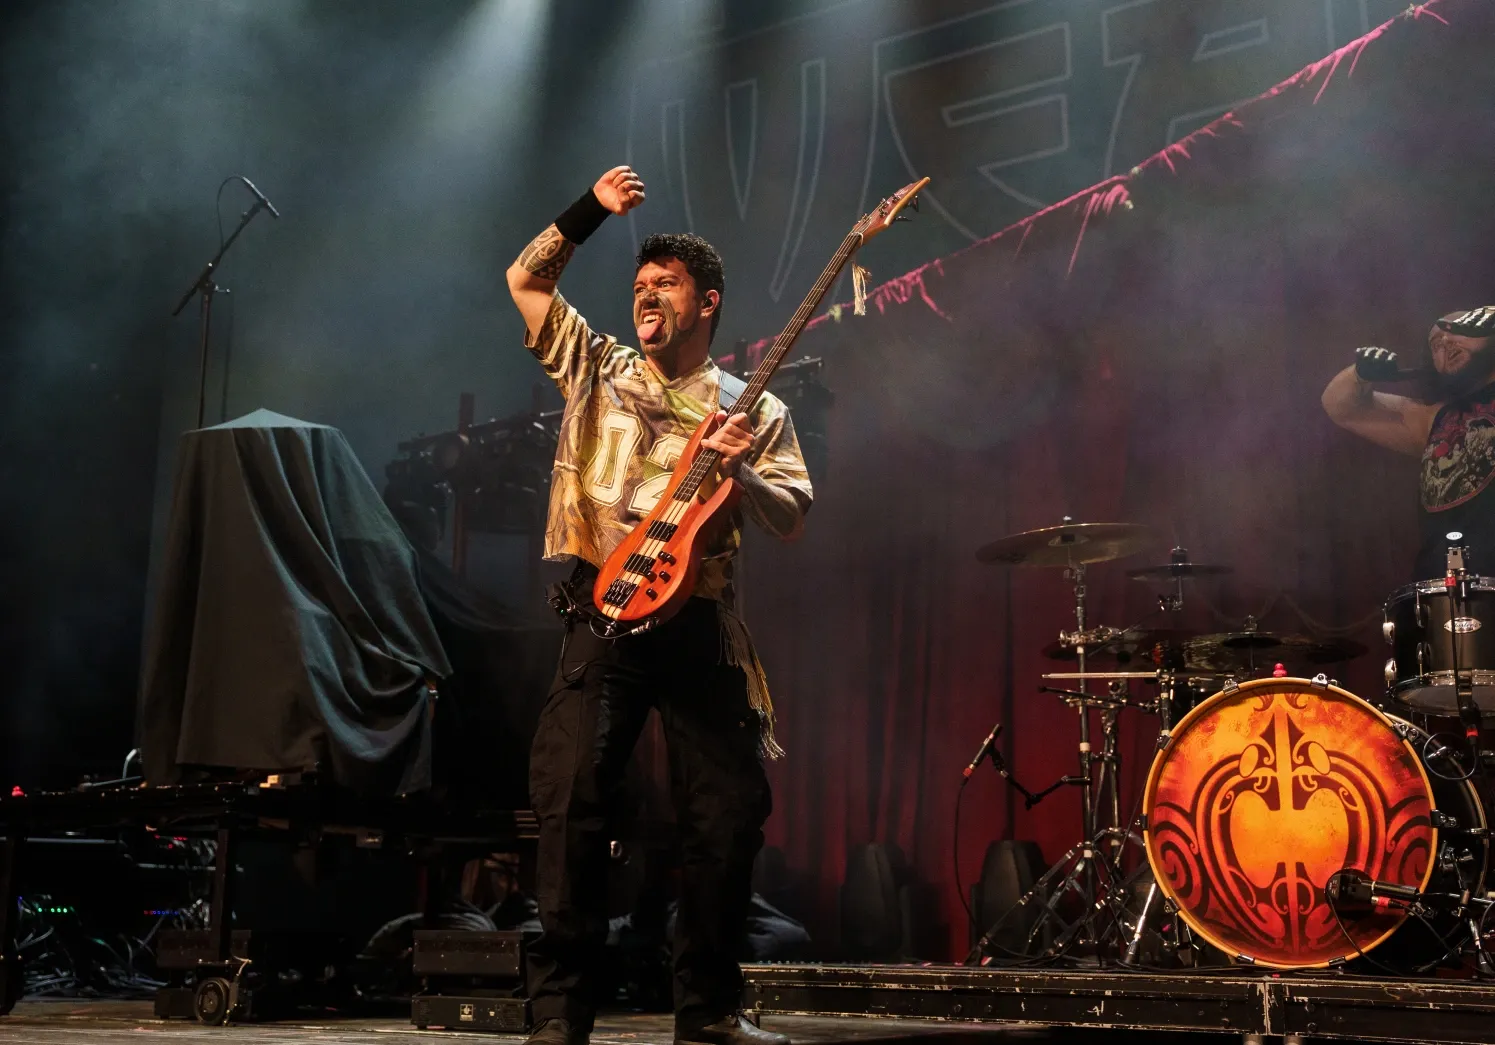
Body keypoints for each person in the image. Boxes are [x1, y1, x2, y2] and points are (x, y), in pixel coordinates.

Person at [505, 165, 812, 1045]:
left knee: (725, 814)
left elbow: (792, 514)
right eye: (640, 284)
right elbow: (525, 279)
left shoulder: (753, 406)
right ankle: (559, 1013)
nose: (646, 293)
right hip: (601, 614)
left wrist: (742, 468)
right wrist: (590, 211)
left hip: (699, 623)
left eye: (666, 284)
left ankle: (707, 1010)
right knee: (570, 799)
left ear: (706, 303)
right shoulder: (596, 365)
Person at [1321, 307, 1495, 576]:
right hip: (1443, 584)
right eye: (1436, 344)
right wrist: (1360, 375)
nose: (1446, 341)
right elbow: (1341, 407)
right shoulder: (1432, 417)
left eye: (1461, 328)